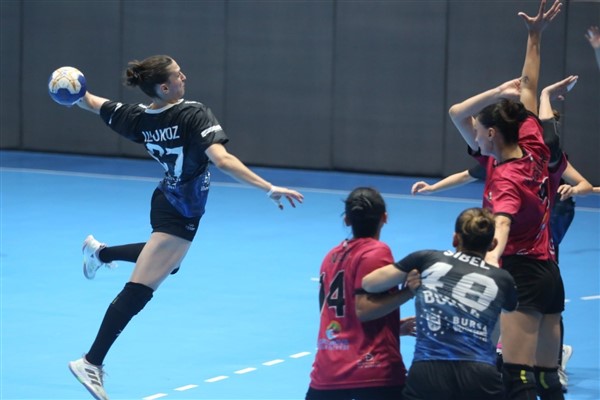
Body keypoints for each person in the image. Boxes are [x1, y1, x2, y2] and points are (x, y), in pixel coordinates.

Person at [58, 55, 304, 400]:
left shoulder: (138, 117)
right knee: (139, 290)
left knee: (168, 264)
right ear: (163, 87)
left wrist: (73, 92)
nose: (184, 77)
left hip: (170, 199)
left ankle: (100, 253)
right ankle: (90, 361)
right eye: (177, 75)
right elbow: (222, 159)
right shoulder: (193, 114)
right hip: (180, 208)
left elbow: (94, 103)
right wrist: (268, 187)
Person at [448, 0, 568, 398]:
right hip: (549, 271)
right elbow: (529, 86)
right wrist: (534, 36)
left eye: (478, 131)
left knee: (516, 377)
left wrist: (491, 260)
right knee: (548, 379)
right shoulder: (533, 145)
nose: (473, 136)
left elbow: (501, 221)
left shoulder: (505, 179)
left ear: (492, 134)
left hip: (521, 271)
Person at [362, 207, 518, 400]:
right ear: (493, 244)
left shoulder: (426, 259)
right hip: (480, 375)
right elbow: (511, 309)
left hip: (428, 372)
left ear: (455, 239)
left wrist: (409, 290)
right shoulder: (503, 278)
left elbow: (369, 284)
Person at [305, 187, 418, 400]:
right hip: (373, 370)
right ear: (384, 218)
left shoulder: (331, 256)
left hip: (328, 372)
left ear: (347, 220)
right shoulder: (376, 251)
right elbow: (364, 310)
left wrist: (393, 327)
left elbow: (336, 315)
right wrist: (408, 292)